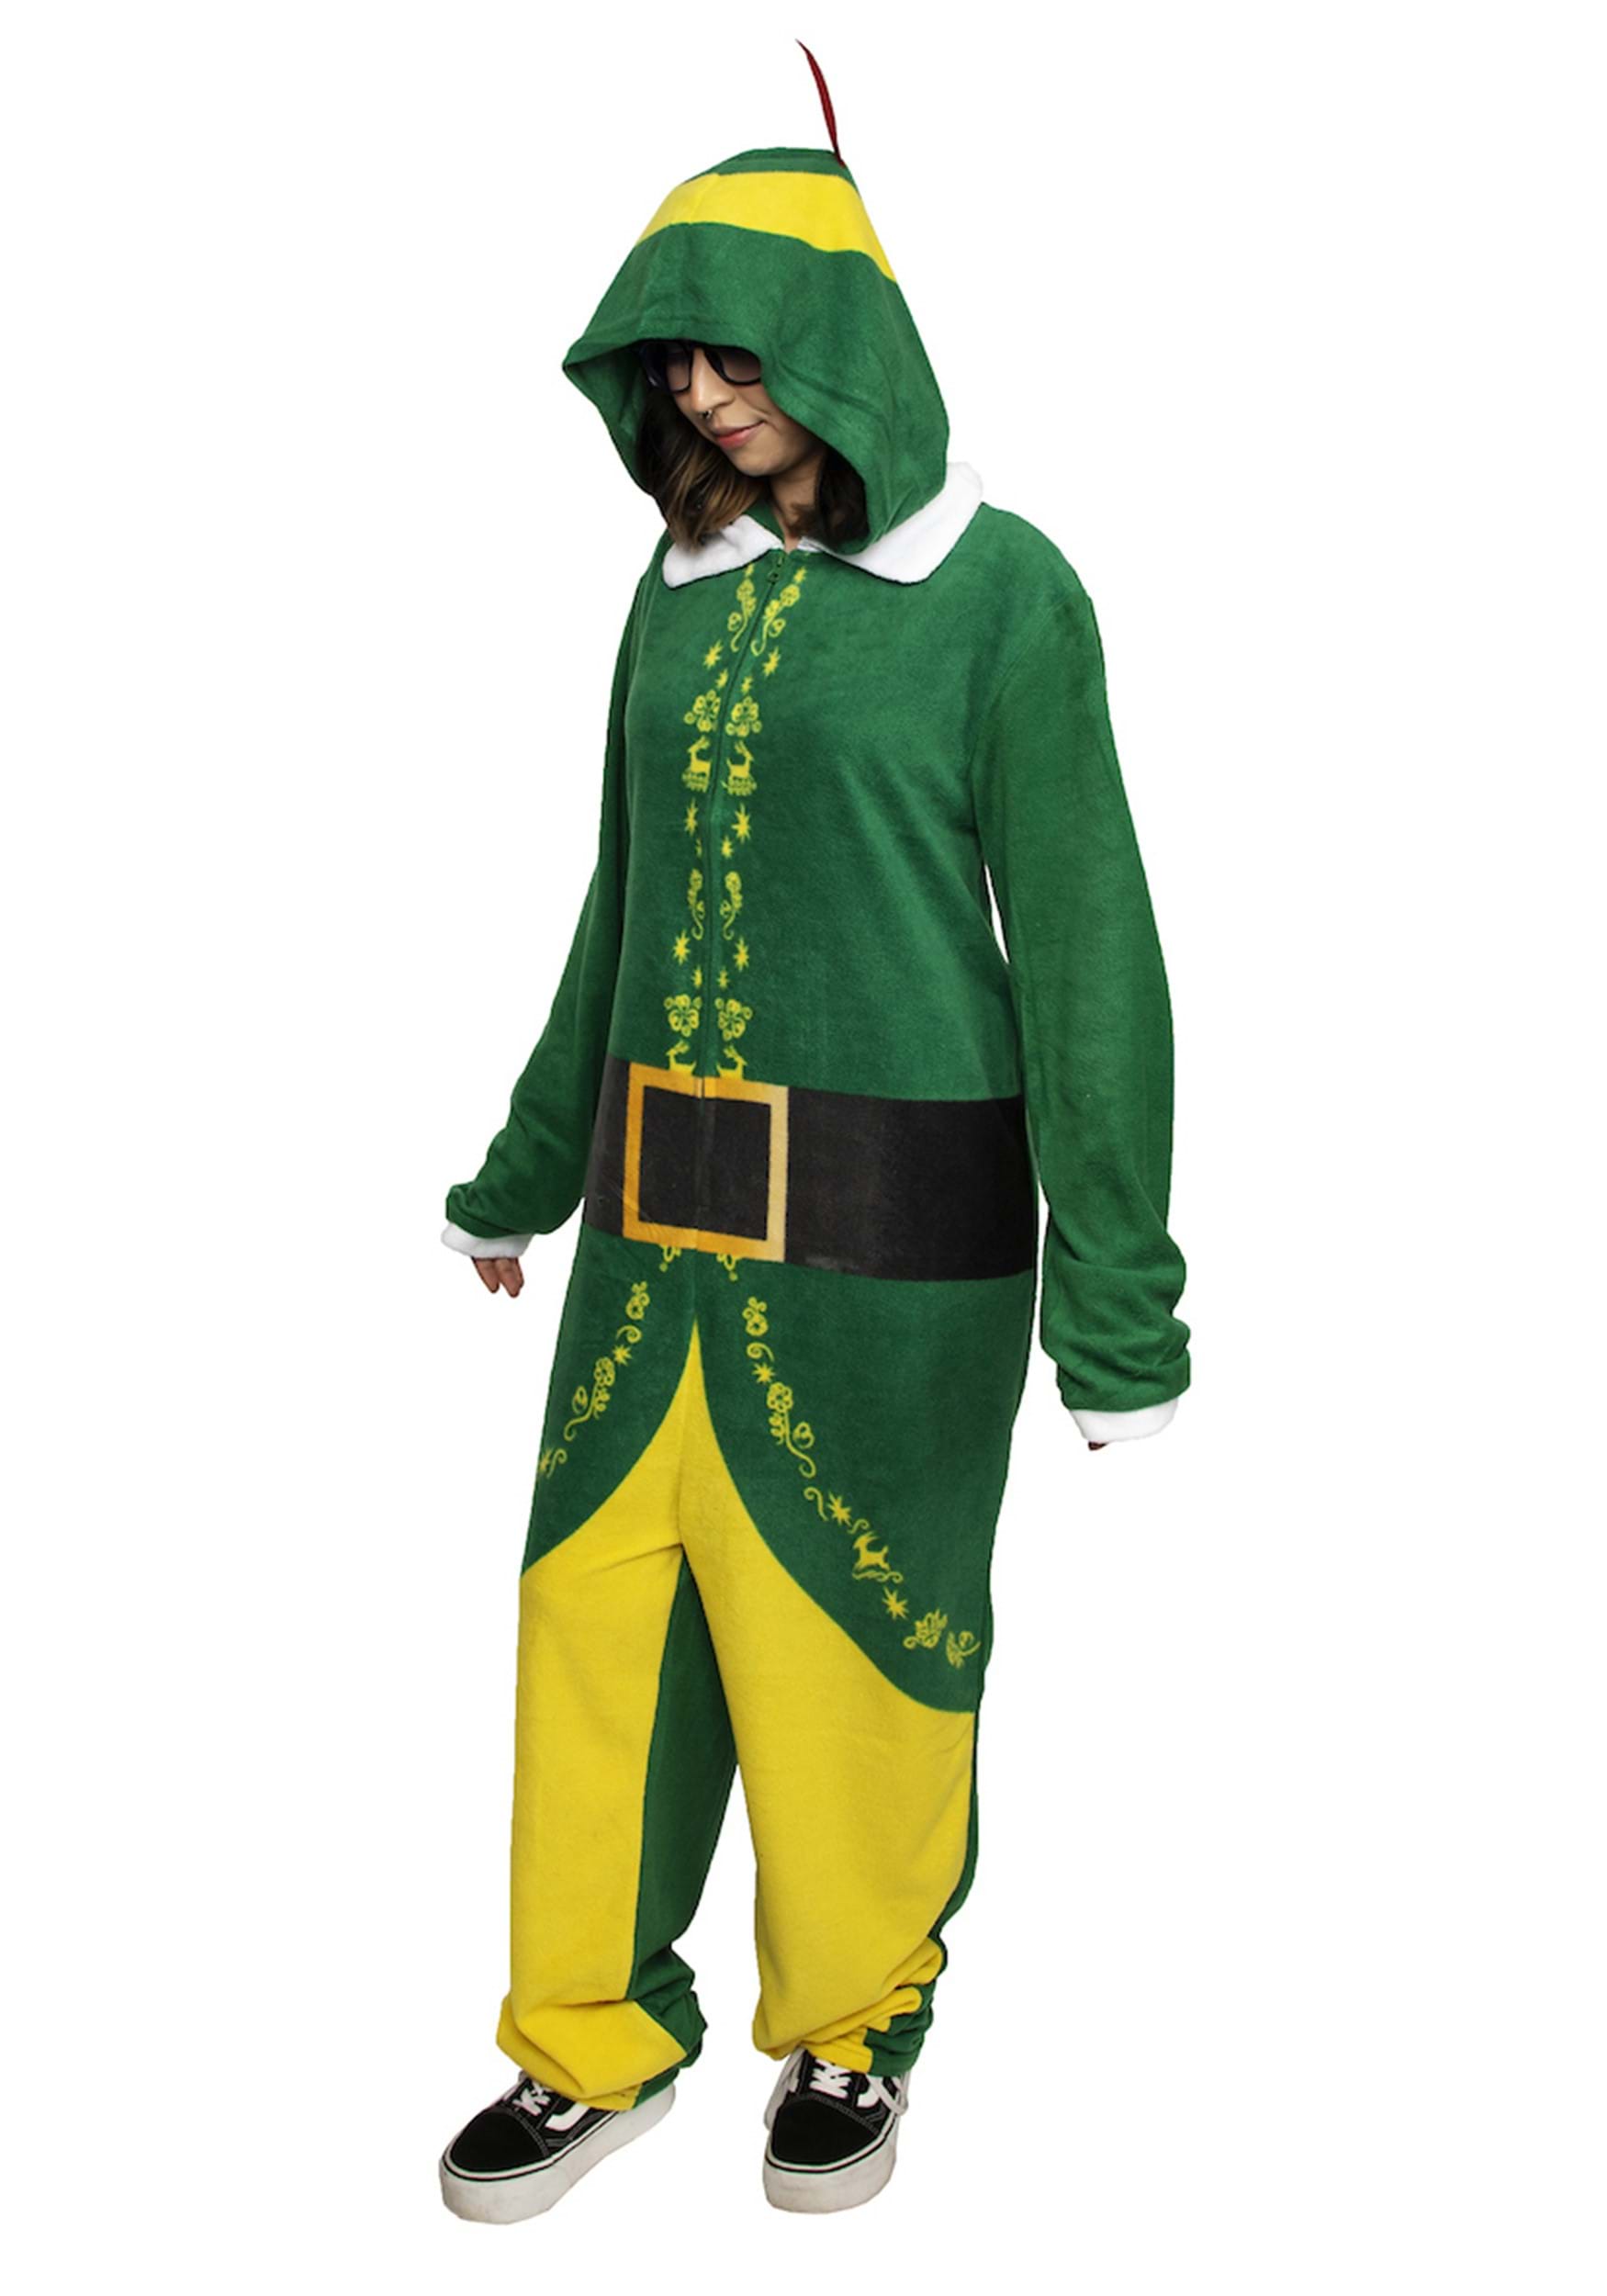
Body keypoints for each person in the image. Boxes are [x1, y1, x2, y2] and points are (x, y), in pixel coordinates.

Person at [436, 83, 1190, 2223]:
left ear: (849, 333)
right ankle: (585, 2034)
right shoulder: (670, 589)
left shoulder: (1000, 594)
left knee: (845, 1643)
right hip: (649, 1239)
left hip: (889, 1243)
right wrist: (524, 1167)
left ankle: (852, 2021)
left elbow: (1090, 953)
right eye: (674, 357)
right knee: (596, 1630)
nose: (702, 392)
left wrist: (1117, 1309)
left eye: (739, 347)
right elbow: (617, 896)